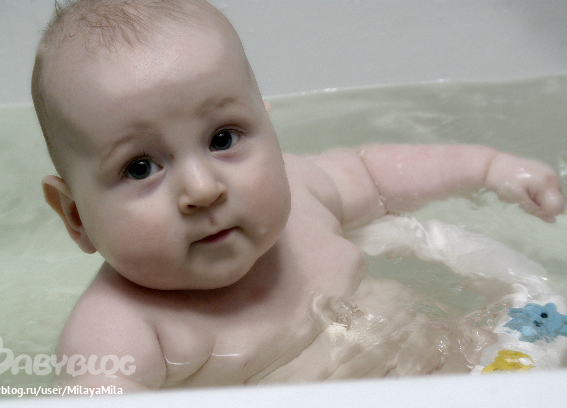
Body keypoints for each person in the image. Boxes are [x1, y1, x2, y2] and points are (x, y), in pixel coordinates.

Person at [31, 0, 565, 390]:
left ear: (269, 127)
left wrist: (488, 168)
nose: (202, 189)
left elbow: (377, 172)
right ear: (75, 217)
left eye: (223, 139)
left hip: (479, 369)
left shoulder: (303, 195)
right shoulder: (120, 332)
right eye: (140, 167)